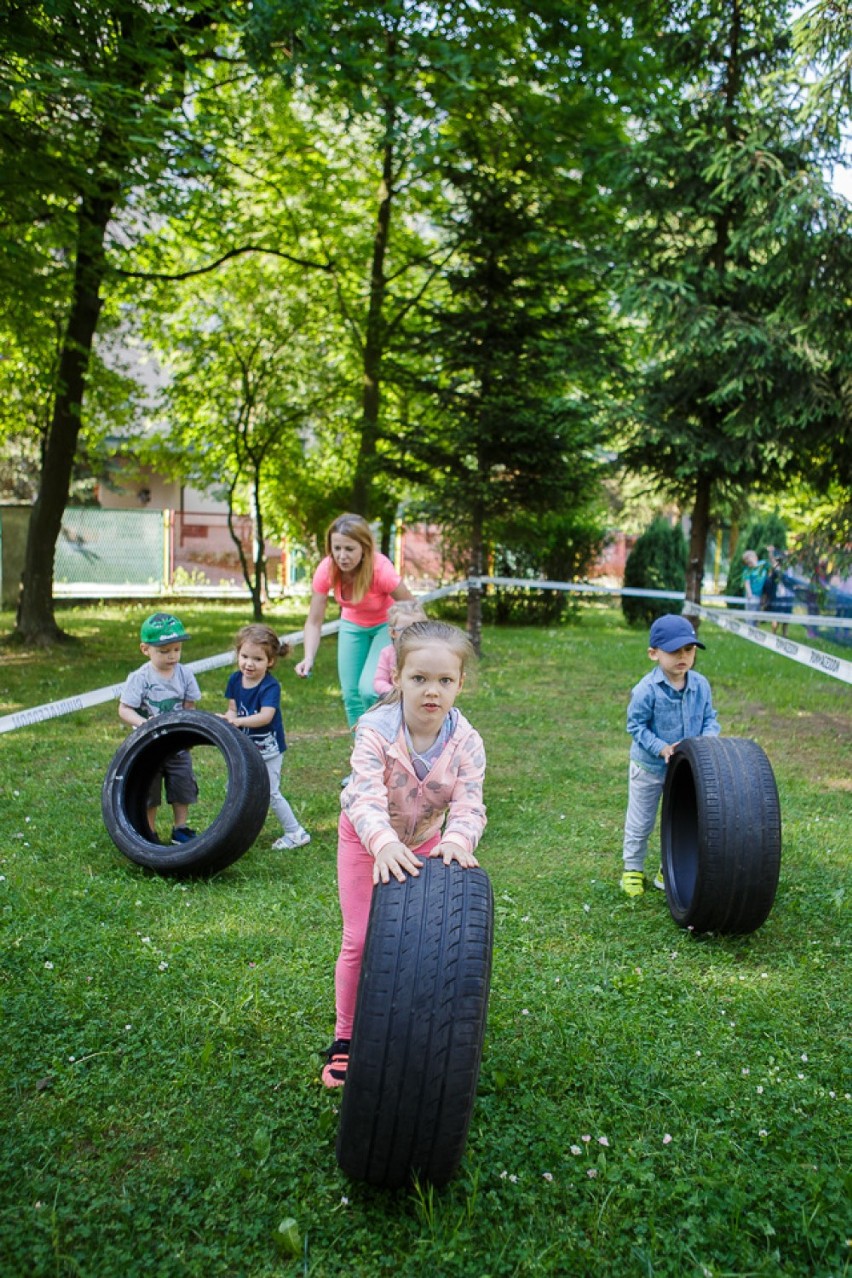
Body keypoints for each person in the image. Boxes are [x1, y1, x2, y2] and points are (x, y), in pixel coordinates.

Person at [321, 619, 487, 1087]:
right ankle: (346, 1039)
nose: (431, 691)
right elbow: (364, 796)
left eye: (444, 680)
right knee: (359, 939)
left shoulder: (466, 740)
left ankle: (411, 1023)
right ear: (397, 677)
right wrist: (383, 844)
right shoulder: (374, 730)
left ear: (460, 684)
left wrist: (457, 840)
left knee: (423, 939)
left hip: (429, 841)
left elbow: (470, 800)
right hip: (366, 839)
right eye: (419, 679)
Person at [620, 613, 720, 898]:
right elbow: (635, 726)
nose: (683, 657)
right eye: (674, 650)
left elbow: (710, 720)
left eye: (688, 650)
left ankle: (670, 868)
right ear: (654, 654)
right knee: (641, 822)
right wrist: (661, 747)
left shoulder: (701, 685)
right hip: (650, 767)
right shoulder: (646, 690)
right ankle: (632, 870)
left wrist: (704, 743)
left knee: (683, 820)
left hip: (689, 770)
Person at [294, 513, 415, 729]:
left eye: (349, 549)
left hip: (385, 627)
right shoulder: (327, 569)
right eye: (336, 548)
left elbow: (413, 608)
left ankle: (387, 737)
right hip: (352, 626)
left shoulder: (381, 570)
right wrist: (308, 657)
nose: (342, 556)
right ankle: (363, 755)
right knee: (351, 696)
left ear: (364, 548)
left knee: (369, 689)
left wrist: (418, 648)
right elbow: (314, 621)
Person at [219, 623, 310, 851]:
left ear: (270, 661)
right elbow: (233, 709)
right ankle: (239, 830)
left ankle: (295, 832)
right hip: (245, 748)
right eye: (244, 656)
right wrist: (227, 719)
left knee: (270, 792)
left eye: (257, 659)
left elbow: (265, 716)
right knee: (236, 787)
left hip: (268, 750)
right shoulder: (234, 680)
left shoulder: (270, 686)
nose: (249, 664)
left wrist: (238, 721)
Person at [118, 611, 200, 846]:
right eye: (164, 651)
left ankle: (180, 829)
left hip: (177, 745)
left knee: (182, 785)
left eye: (176, 650)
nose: (172, 656)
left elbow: (189, 706)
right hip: (148, 746)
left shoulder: (185, 674)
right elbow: (124, 709)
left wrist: (189, 734)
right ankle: (149, 831)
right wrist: (144, 725)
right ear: (146, 649)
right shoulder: (140, 678)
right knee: (149, 791)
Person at [372, 600, 428, 696]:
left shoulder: (429, 653)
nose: (412, 634)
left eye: (417, 628)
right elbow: (379, 681)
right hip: (395, 701)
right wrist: (397, 692)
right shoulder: (388, 653)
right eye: (405, 630)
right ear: (393, 632)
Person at [761, 545, 794, 636]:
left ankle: (785, 635)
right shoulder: (779, 569)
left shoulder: (790, 568)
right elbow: (772, 561)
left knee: (786, 618)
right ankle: (773, 634)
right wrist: (771, 552)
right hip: (780, 596)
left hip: (789, 596)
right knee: (776, 616)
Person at [741, 549, 767, 621]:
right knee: (750, 617)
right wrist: (750, 594)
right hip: (752, 595)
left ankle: (755, 631)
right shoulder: (747, 571)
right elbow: (747, 583)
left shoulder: (763, 565)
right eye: (747, 562)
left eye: (750, 561)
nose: (749, 564)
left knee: (757, 618)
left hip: (761, 595)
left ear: (755, 558)